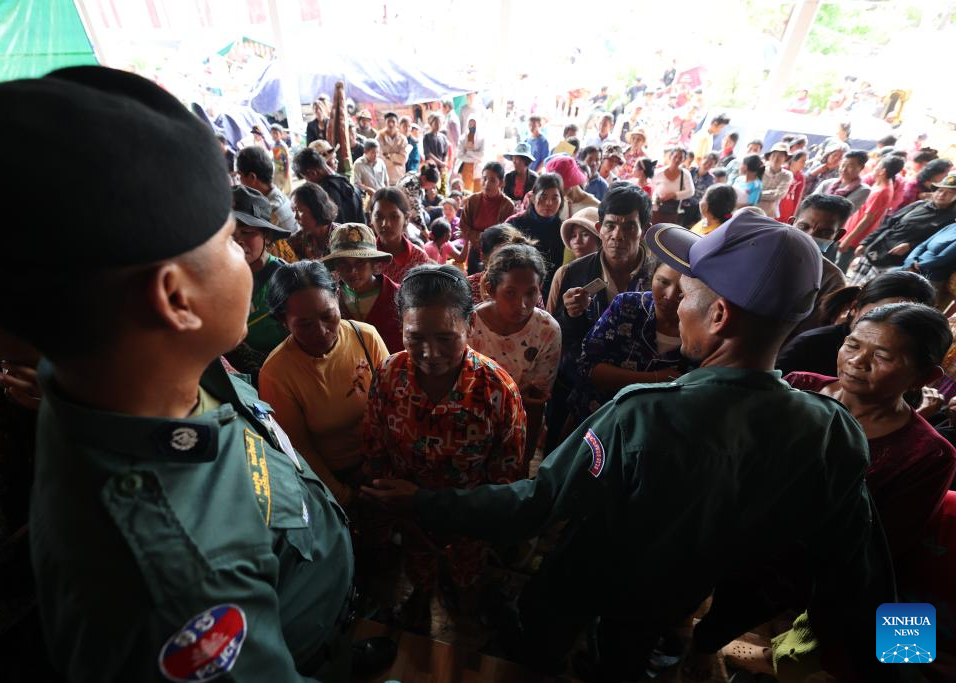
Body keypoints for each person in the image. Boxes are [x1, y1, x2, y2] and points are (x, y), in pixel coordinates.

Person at [0, 65, 394, 682]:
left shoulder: (135, 374)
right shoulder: (180, 574)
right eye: (229, 240)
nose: (246, 257)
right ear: (175, 298)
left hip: (306, 599)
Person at [362, 213, 897, 683]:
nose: (676, 306)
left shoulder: (643, 416)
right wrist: (904, 659)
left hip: (583, 581)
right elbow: (865, 578)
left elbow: (536, 503)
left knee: (539, 650)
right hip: (673, 601)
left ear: (719, 315)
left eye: (686, 293)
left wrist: (422, 501)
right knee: (624, 659)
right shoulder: (832, 435)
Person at [741, 304, 956, 679]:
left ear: (925, 376)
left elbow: (880, 548)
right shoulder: (799, 386)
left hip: (812, 582)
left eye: (883, 356)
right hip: (736, 546)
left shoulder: (929, 454)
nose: (857, 361)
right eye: (853, 345)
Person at [362, 264, 526, 632]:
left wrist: (468, 517)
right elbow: (375, 447)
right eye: (415, 337)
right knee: (418, 571)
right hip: (409, 518)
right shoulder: (389, 375)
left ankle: (464, 608)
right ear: (401, 328)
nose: (430, 353)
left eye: (446, 338)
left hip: (470, 522)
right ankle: (420, 600)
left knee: (466, 582)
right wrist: (390, 506)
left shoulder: (498, 391)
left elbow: (507, 477)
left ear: (470, 325)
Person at [259, 260, 389, 509]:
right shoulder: (276, 374)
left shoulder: (366, 337)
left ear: (337, 296)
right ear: (283, 320)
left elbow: (391, 405)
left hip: (384, 462)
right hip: (335, 479)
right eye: (304, 324)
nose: (321, 331)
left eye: (328, 316)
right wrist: (343, 497)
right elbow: (300, 450)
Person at [544, 184, 657, 452]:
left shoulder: (660, 278)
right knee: (561, 462)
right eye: (610, 225)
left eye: (629, 226)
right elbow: (551, 338)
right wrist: (570, 315)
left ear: (645, 230)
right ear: (599, 228)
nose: (618, 235)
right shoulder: (569, 274)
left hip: (638, 401)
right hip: (572, 395)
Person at [469, 244, 561, 464]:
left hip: (519, 424)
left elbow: (536, 401)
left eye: (531, 293)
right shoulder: (469, 325)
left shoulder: (546, 331)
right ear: (491, 289)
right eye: (510, 292)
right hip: (469, 420)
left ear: (540, 289)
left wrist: (525, 458)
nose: (522, 304)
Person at [568, 262, 685, 425]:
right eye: (663, 282)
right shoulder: (627, 305)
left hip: (650, 430)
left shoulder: (702, 331)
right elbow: (587, 368)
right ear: (652, 277)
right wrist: (656, 379)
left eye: (683, 289)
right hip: (593, 418)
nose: (670, 296)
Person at [777, 270, 936, 376]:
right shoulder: (811, 345)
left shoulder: (908, 366)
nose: (857, 362)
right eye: (879, 313)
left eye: (903, 321)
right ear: (855, 308)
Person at [226, 185, 292, 379]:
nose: (238, 241)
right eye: (230, 233)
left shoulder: (287, 281)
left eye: (246, 232)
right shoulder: (221, 280)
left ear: (267, 236)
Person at [845, 158, 943, 280]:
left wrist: (910, 245)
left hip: (896, 261)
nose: (942, 194)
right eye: (940, 190)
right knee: (854, 282)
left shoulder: (948, 219)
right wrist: (866, 242)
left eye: (949, 192)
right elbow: (889, 223)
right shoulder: (919, 205)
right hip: (878, 249)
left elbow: (931, 242)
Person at [323, 223, 403, 353]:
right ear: (335, 266)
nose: (352, 271)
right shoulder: (330, 300)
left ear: (373, 263)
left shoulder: (399, 296)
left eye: (360, 262)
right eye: (343, 263)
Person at [791, 193, 853, 336]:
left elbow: (809, 331)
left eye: (825, 232)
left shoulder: (832, 280)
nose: (810, 236)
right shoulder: (764, 253)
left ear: (838, 236)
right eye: (803, 227)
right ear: (791, 223)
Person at [509, 173, 564, 294]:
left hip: (550, 290)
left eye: (555, 198)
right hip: (516, 285)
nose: (549, 203)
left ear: (561, 200)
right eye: (543, 197)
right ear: (533, 198)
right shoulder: (514, 224)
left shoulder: (563, 229)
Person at [458, 161, 516, 274]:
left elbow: (504, 235)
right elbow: (463, 226)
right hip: (474, 251)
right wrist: (484, 236)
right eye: (484, 178)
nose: (487, 183)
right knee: (472, 281)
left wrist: (474, 235)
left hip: (495, 255)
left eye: (492, 180)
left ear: (501, 183)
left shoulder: (507, 206)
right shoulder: (473, 200)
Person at [371, 187, 432, 284]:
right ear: (371, 219)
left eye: (394, 217)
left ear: (406, 219)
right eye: (379, 216)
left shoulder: (418, 259)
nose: (386, 224)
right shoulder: (365, 257)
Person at [236, 145, 300, 236]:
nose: (239, 180)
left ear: (252, 177)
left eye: (239, 175)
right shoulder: (276, 194)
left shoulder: (270, 210)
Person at [467, 224, 536, 305]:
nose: (508, 262)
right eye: (500, 257)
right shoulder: (467, 287)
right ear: (483, 257)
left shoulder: (529, 282)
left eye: (512, 255)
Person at [291, 147, 365, 224]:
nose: (307, 182)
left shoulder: (323, 195)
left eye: (306, 178)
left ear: (313, 173)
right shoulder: (348, 184)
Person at [288, 182, 339, 261]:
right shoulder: (296, 242)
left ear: (317, 209)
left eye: (300, 211)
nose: (296, 217)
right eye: (294, 211)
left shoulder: (343, 236)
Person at [814, 150, 871, 214]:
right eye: (842, 165)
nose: (844, 169)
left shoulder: (863, 190)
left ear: (861, 167)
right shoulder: (827, 183)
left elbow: (841, 212)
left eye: (850, 166)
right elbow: (810, 203)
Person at [652, 146, 695, 225]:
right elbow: (652, 188)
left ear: (684, 159)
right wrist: (657, 198)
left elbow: (691, 191)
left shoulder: (685, 174)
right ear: (670, 156)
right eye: (675, 156)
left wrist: (674, 195)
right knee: (654, 227)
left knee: (668, 229)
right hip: (656, 208)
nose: (677, 159)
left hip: (673, 209)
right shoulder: (658, 172)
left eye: (680, 157)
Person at [757, 142, 794, 218]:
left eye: (780, 156)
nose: (776, 159)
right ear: (769, 157)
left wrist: (757, 194)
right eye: (774, 155)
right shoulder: (760, 170)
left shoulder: (787, 175)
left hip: (770, 214)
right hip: (754, 209)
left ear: (785, 158)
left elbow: (780, 193)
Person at [682, 152, 719, 226]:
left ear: (714, 166)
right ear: (702, 159)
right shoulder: (690, 171)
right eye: (706, 162)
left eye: (711, 164)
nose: (707, 165)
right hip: (681, 202)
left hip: (694, 208)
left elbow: (707, 197)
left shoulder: (711, 180)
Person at [376, 112, 408, 184]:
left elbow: (403, 159)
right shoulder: (379, 137)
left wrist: (388, 155)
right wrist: (396, 160)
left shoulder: (402, 138)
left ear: (397, 123)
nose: (391, 124)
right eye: (388, 122)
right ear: (385, 123)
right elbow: (379, 158)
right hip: (383, 175)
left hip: (399, 175)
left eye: (393, 122)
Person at [456, 116, 486, 193]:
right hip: (465, 169)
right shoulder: (463, 138)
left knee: (477, 192)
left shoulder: (482, 139)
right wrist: (474, 157)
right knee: (465, 191)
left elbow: (481, 155)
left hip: (478, 169)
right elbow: (460, 155)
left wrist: (469, 153)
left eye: (474, 124)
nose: (472, 126)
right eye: (470, 124)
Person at [778, 150, 809, 224]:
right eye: (802, 161)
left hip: (788, 207)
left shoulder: (801, 177)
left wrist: (793, 215)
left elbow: (798, 197)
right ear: (793, 160)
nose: (804, 164)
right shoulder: (781, 170)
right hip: (776, 203)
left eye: (805, 162)